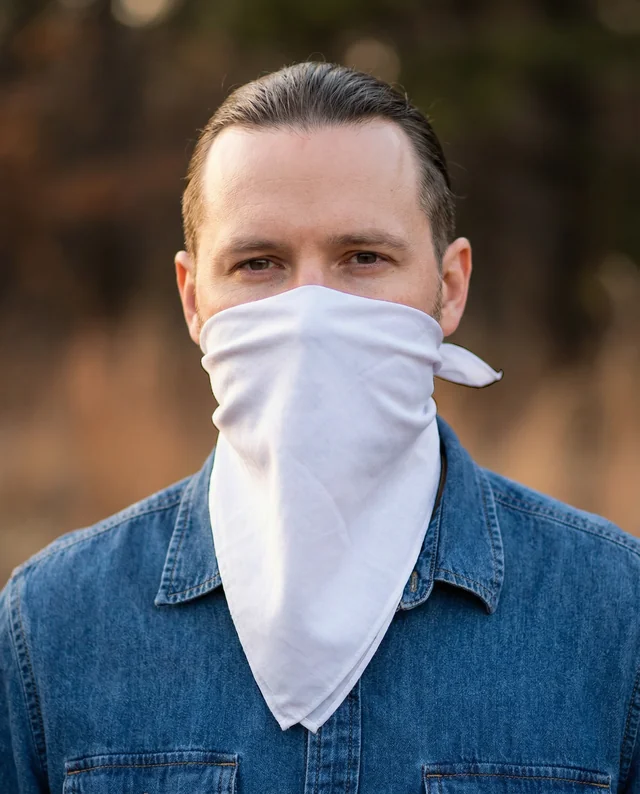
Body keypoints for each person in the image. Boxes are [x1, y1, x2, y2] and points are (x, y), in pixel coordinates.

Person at [1, 61, 638, 794]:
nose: (309, 315)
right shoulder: (51, 625)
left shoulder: (615, 616)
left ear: (449, 286)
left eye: (363, 258)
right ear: (193, 299)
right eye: (258, 263)